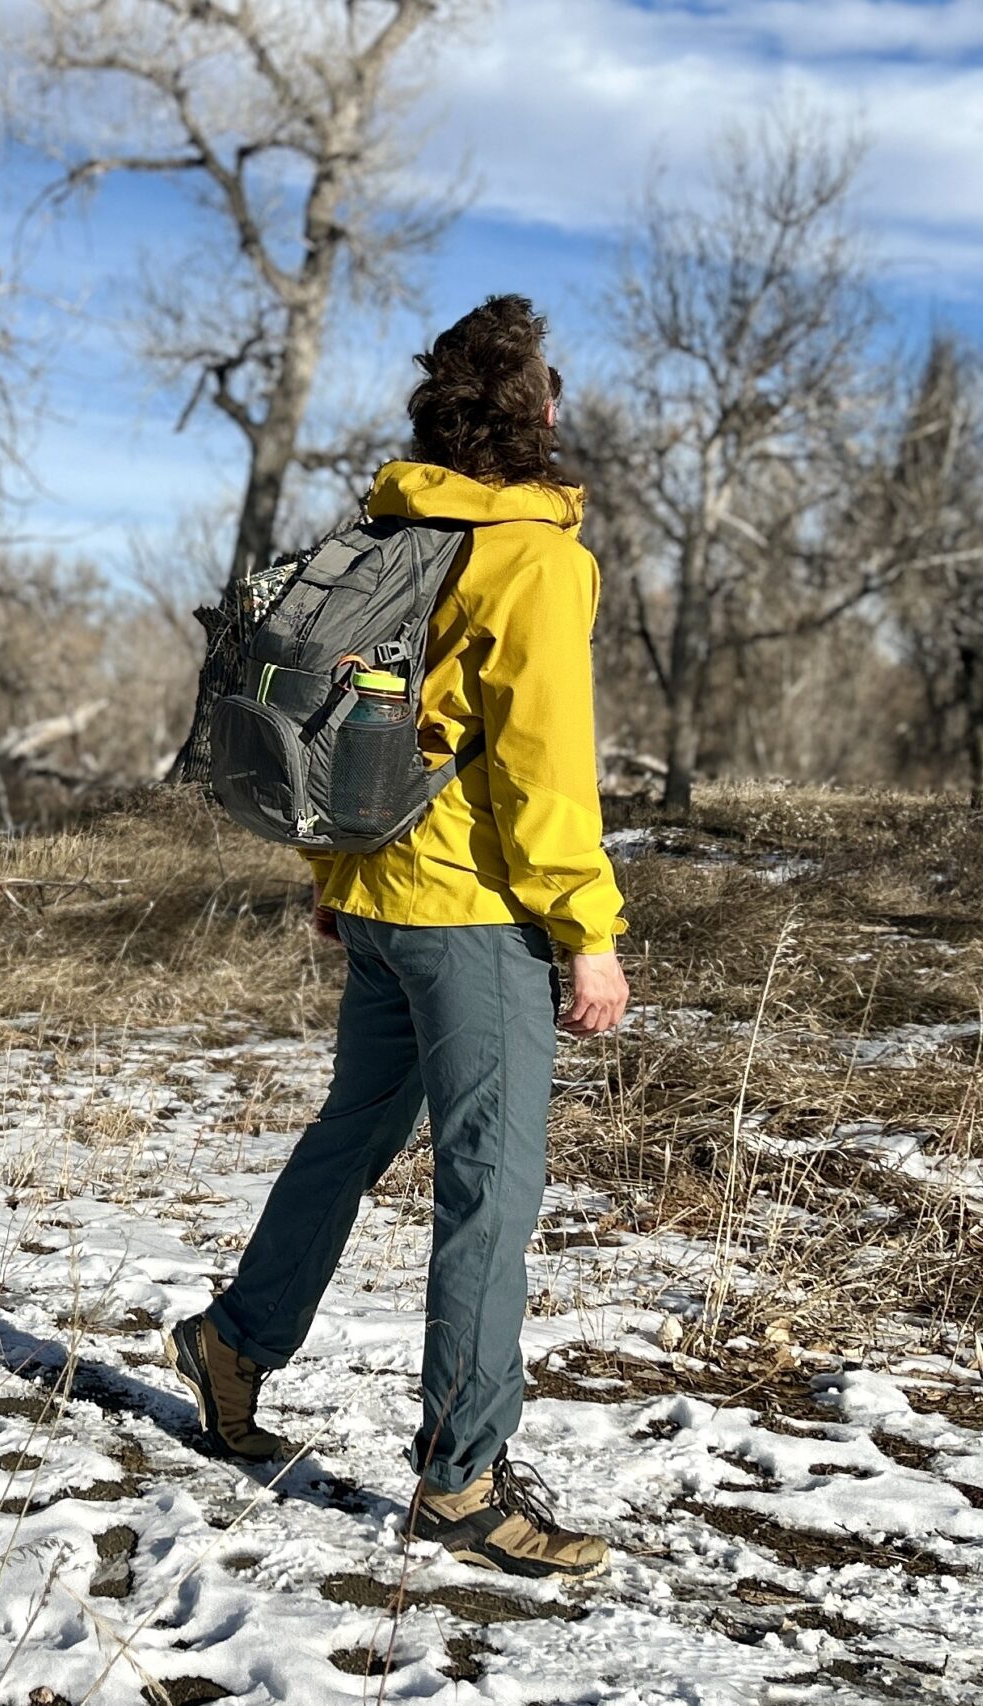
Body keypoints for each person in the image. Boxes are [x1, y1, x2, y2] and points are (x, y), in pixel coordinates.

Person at [165, 295, 629, 1581]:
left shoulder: (394, 526)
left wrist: (333, 868)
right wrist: (587, 929)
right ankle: (463, 1480)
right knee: (490, 1191)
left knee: (353, 1131)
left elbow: (327, 711)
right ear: (541, 412)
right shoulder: (533, 558)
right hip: (475, 919)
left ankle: (235, 1343)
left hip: (375, 897)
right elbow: (543, 773)